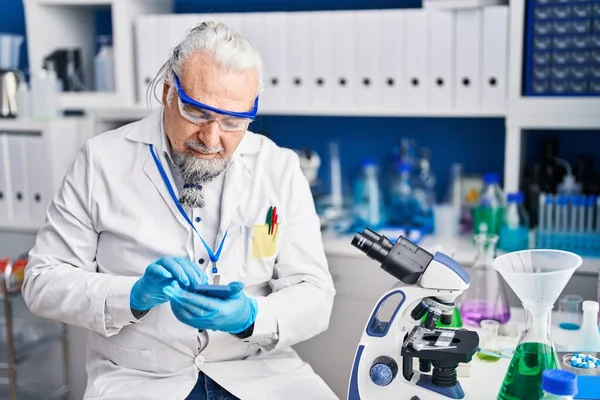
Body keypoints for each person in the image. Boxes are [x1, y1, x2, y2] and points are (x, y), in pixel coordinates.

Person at [22, 21, 337, 400]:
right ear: (169, 92)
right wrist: (132, 296)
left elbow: (315, 294)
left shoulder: (278, 168)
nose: (211, 138)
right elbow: (41, 281)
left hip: (258, 374)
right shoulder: (101, 161)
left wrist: (250, 316)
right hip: (142, 379)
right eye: (197, 114)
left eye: (233, 122)